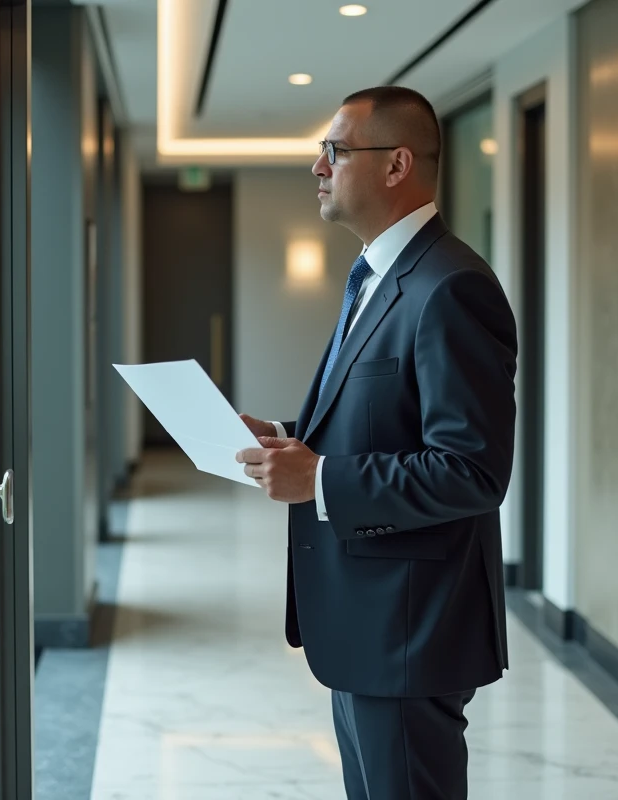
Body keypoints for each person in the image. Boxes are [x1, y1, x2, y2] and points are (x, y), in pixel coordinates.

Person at [235, 86, 518, 800]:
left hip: (408, 628)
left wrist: (321, 480)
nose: (318, 167)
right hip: (367, 622)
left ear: (395, 165)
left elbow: (471, 470)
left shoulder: (450, 287)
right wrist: (288, 440)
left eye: (334, 150)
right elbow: (385, 419)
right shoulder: (377, 275)